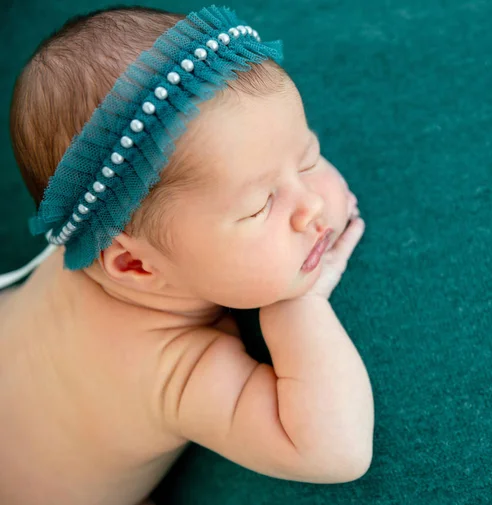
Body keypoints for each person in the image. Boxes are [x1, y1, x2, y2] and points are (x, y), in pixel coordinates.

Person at [0, 6, 374, 505]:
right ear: (136, 266)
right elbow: (338, 451)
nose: (311, 207)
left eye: (307, 157)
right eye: (260, 206)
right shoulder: (166, 366)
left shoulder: (102, 220)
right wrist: (299, 305)